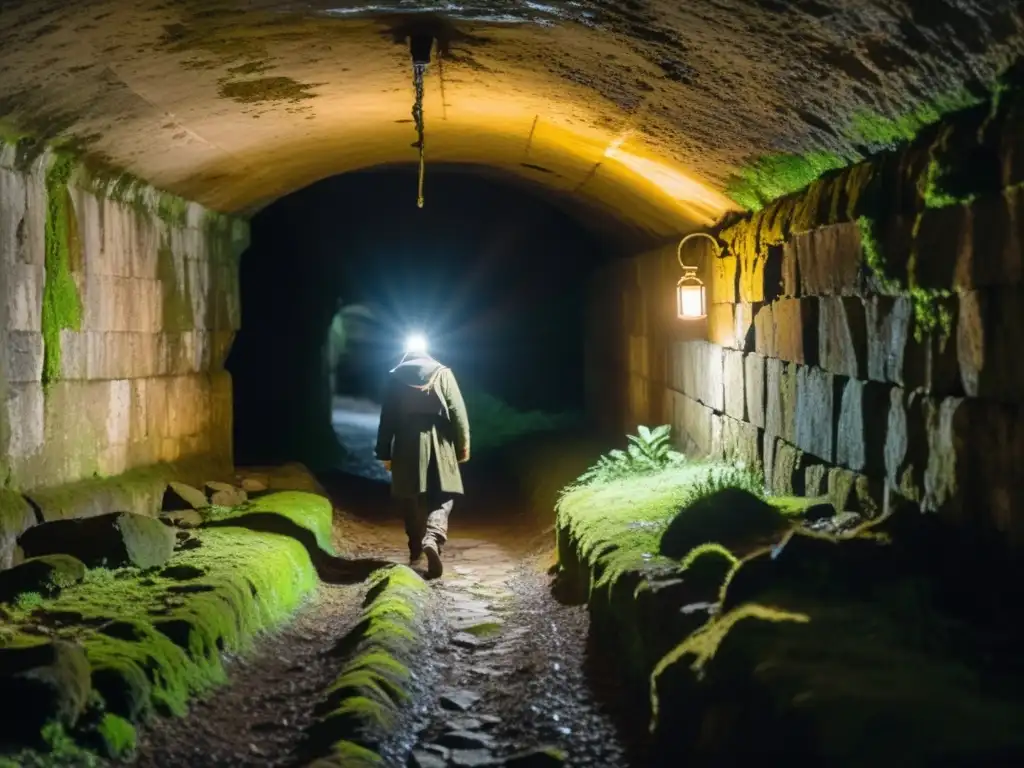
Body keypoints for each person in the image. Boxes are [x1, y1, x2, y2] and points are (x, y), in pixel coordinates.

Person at [375, 336, 470, 578]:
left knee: (409, 494)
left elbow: (388, 417)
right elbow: (458, 411)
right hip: (441, 440)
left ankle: (416, 546)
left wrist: (384, 452)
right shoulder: (443, 373)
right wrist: (462, 446)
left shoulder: (396, 377)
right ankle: (434, 536)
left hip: (406, 441)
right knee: (444, 494)